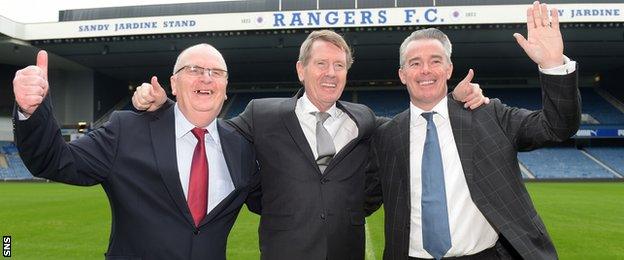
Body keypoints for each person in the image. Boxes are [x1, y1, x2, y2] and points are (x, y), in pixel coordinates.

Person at [134, 30, 488, 260]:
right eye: (321, 64)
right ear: (301, 70)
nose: (331, 73)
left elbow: (410, 127)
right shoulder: (263, 113)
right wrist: (164, 104)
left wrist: (453, 100)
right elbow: (212, 129)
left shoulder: (363, 119)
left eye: (339, 65)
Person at [365, 2, 580, 259]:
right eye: (414, 63)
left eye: (435, 61)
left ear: (449, 69)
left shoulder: (488, 115)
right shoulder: (387, 136)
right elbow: (363, 199)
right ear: (402, 74)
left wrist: (553, 64)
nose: (425, 70)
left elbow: (557, 126)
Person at [12, 44, 261, 260]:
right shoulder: (127, 131)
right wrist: (31, 110)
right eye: (194, 70)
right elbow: (54, 160)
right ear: (174, 83)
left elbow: (278, 201)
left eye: (216, 72)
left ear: (226, 87)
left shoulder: (241, 148)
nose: (206, 78)